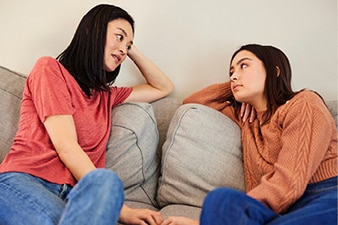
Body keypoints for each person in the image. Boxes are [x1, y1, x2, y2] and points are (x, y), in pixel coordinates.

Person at [0, 4, 174, 225]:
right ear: (93, 32)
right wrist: (123, 210)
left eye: (127, 45)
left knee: (106, 182)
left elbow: (163, 87)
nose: (123, 50)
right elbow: (66, 146)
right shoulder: (50, 70)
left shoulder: (106, 96)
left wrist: (130, 48)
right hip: (23, 181)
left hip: (77, 197)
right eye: (118, 37)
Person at [161, 44, 337, 225]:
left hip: (324, 193)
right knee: (221, 199)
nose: (234, 75)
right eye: (231, 72)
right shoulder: (247, 120)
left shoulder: (304, 103)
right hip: (278, 210)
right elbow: (192, 102)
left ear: (274, 71)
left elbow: (291, 182)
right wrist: (234, 88)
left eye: (244, 66)